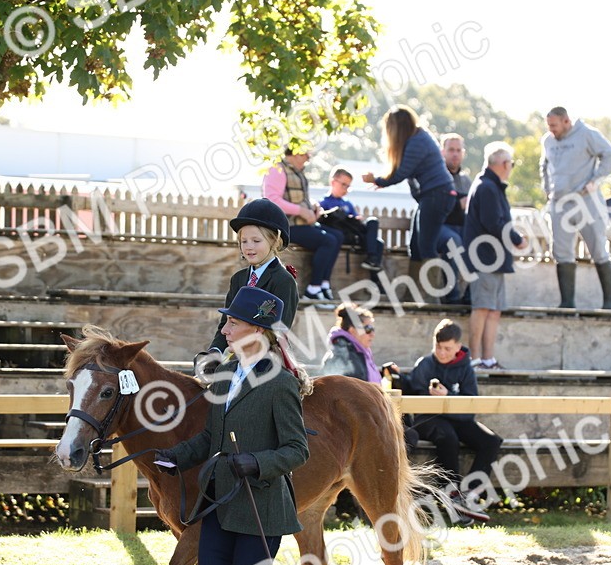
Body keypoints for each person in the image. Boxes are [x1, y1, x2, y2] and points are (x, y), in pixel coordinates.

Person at [155, 285, 324, 565]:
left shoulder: (279, 384)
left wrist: (255, 462)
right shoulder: (226, 377)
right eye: (226, 322)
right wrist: (174, 456)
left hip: (261, 506)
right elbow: (212, 438)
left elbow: (296, 450)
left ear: (257, 330)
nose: (225, 329)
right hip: (219, 502)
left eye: (232, 322)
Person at [401, 318, 501, 522]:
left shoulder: (465, 367)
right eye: (438, 347)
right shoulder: (426, 364)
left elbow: (470, 406)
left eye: (447, 348)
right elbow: (411, 395)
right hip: (429, 419)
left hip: (459, 417)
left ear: (458, 347)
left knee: (491, 441)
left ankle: (469, 494)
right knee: (448, 437)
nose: (442, 352)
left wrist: (448, 398)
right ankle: (451, 494)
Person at [362, 106, 457, 302]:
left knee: (427, 246)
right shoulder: (417, 139)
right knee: (416, 245)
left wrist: (377, 180)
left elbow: (401, 173)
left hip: (437, 195)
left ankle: (431, 298)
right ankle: (413, 295)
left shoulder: (418, 142)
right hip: (430, 196)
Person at [196, 198, 301, 376]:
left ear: (275, 241)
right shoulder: (238, 279)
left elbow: (278, 332)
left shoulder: (283, 280)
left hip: (266, 363)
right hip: (237, 357)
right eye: (244, 241)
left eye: (256, 241)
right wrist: (216, 352)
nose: (249, 247)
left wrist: (238, 359)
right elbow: (226, 323)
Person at [539, 106, 611, 309]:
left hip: (586, 201)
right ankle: (567, 303)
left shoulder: (587, 134)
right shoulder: (548, 141)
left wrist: (596, 180)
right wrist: (547, 189)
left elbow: (610, 156)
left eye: (555, 126)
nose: (552, 130)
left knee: (598, 249)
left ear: (566, 121)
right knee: (561, 251)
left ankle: (609, 302)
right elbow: (544, 165)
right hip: (559, 203)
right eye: (548, 126)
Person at [321, 302, 420, 453]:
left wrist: (383, 374)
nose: (372, 333)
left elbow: (360, 381)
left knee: (408, 434)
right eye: (368, 329)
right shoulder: (344, 354)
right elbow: (349, 393)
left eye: (372, 329)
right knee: (408, 437)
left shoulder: (357, 351)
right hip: (353, 424)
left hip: (367, 416)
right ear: (353, 331)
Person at [464, 141, 528, 369]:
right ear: (503, 164)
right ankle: (474, 360)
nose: (511, 167)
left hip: (495, 259)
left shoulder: (490, 185)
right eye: (510, 163)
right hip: (485, 259)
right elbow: (494, 223)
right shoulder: (487, 187)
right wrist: (517, 238)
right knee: (482, 309)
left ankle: (488, 359)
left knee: (493, 310)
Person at [263, 148, 343, 303]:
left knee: (338, 236)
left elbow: (299, 197)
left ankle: (324, 284)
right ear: (295, 153)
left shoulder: (297, 171)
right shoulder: (277, 169)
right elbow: (272, 199)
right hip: (285, 227)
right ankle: (313, 289)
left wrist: (313, 206)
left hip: (301, 224)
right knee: (328, 240)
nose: (308, 157)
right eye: (305, 153)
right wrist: (301, 211)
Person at [318, 167, 384, 272]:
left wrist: (356, 219)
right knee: (377, 244)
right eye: (343, 185)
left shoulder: (347, 203)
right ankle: (373, 270)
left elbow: (355, 220)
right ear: (333, 182)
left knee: (373, 225)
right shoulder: (324, 202)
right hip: (342, 235)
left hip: (354, 234)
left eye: (348, 186)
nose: (346, 189)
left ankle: (372, 261)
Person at [437, 133, 473, 304]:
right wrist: (458, 204)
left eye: (458, 150)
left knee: (481, 242)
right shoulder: (437, 176)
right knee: (454, 241)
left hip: (462, 227)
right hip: (439, 227)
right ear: (442, 152)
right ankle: (451, 297)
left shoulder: (467, 181)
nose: (455, 154)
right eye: (451, 150)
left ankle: (470, 296)